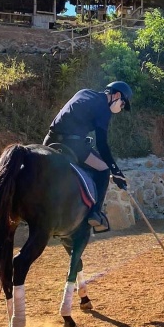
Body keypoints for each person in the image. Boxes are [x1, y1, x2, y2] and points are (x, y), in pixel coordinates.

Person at [43, 81, 132, 231]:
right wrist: (115, 171)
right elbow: (102, 145)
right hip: (72, 145)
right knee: (103, 169)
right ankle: (94, 213)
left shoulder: (83, 92)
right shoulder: (104, 108)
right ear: (116, 95)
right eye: (123, 104)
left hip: (49, 139)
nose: (122, 108)